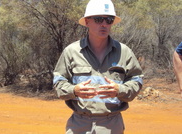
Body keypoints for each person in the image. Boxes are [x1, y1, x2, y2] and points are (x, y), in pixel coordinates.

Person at [53, 0, 143, 133]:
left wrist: (121, 89)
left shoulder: (124, 52)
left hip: (112, 124)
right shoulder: (71, 51)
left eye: (109, 20)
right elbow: (58, 82)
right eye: (99, 19)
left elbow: (137, 80)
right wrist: (74, 90)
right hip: (79, 123)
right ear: (87, 21)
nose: (104, 24)